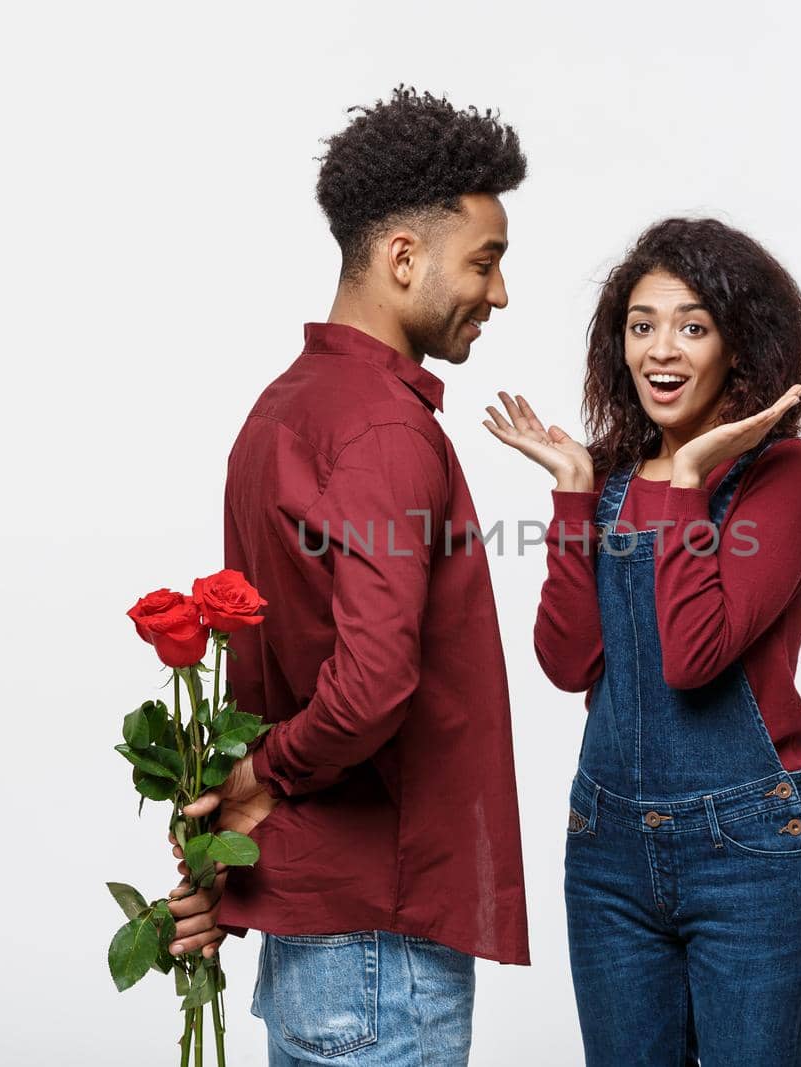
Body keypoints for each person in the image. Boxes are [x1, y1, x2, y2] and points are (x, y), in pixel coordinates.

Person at [164, 85, 532, 1067]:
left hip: (320, 933)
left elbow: (269, 668)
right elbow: (371, 681)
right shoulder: (379, 429)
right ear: (402, 257)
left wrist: (250, 796)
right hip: (380, 942)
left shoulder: (285, 410)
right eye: (485, 261)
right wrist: (262, 775)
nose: (499, 292)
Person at [484, 217, 801, 1066]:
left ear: (738, 342)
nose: (660, 349)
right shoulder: (605, 477)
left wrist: (685, 481)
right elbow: (566, 660)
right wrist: (575, 493)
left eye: (691, 324)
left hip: (749, 854)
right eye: (641, 325)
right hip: (606, 855)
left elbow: (695, 653)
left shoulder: (785, 478)